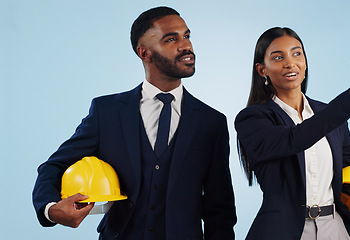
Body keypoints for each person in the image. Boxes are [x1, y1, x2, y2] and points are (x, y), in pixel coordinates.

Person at [32, 6, 236, 240]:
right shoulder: (107, 112)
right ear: (144, 53)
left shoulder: (212, 122)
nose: (186, 46)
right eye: (171, 39)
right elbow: (53, 166)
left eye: (187, 36)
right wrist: (51, 210)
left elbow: (219, 209)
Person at [234, 27, 350, 240]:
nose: (290, 62)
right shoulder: (252, 119)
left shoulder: (327, 113)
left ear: (305, 62)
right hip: (283, 231)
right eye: (278, 57)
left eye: (297, 53)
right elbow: (293, 139)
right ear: (263, 70)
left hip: (335, 228)